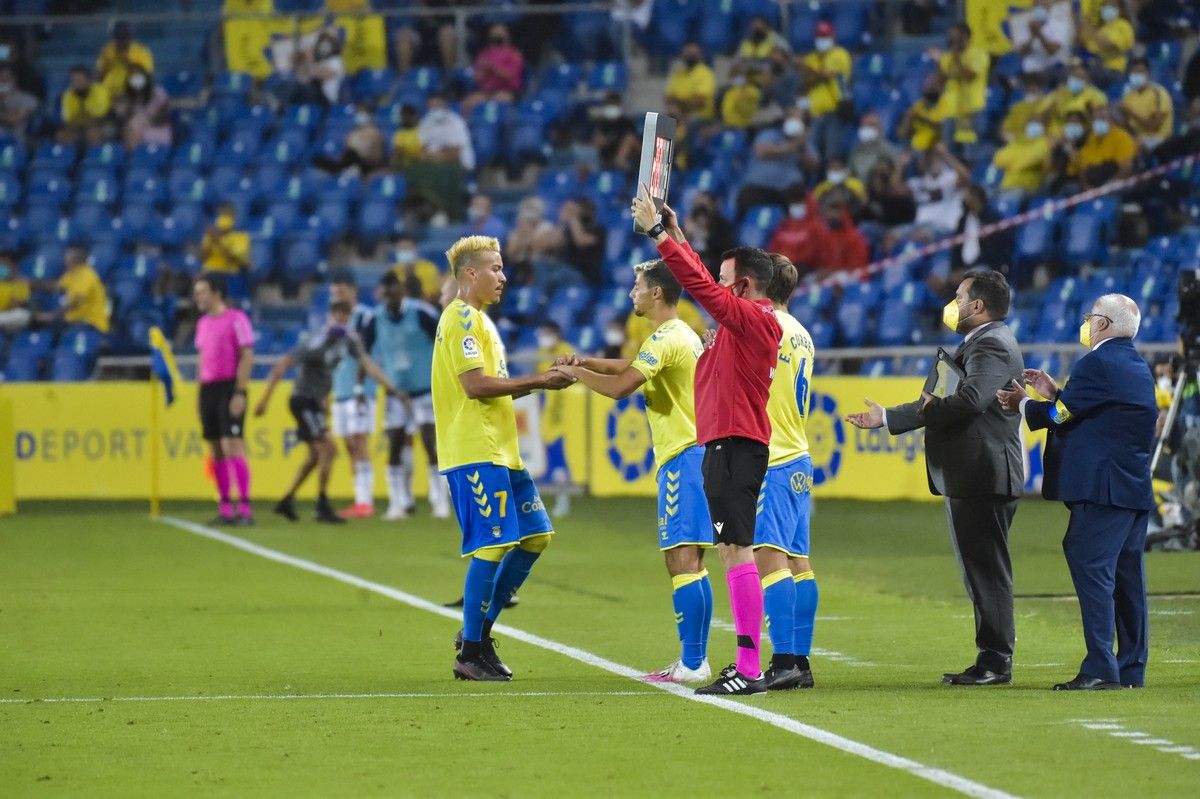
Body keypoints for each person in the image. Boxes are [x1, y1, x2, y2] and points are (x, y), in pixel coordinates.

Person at [632, 188, 782, 696]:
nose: (713, 288)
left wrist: (658, 237)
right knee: (730, 550)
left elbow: (699, 285)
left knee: (735, 552)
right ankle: (746, 664)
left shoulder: (754, 318)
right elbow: (700, 276)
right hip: (726, 443)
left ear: (741, 286)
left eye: (723, 281)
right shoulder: (742, 321)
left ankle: (749, 667)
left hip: (736, 444)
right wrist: (673, 232)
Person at [847, 271, 1024, 686]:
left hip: (983, 472)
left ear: (977, 306)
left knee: (987, 569)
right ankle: (990, 656)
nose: (953, 302)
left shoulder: (993, 344)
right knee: (978, 568)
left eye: (959, 296)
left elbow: (968, 400)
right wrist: (888, 417)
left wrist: (929, 406)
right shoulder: (980, 343)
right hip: (972, 473)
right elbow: (941, 401)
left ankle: (997, 661)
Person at [552, 259, 715, 684]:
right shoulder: (679, 334)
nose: (631, 294)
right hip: (693, 453)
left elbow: (622, 387)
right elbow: (627, 368)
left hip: (683, 455)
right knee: (691, 561)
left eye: (637, 287)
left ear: (656, 292)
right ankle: (695, 660)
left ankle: (694, 662)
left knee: (682, 558)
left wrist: (576, 373)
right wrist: (586, 361)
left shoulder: (665, 337)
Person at [433, 235, 574, 681]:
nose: (503, 276)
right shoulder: (460, 320)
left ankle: (477, 632)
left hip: (502, 452)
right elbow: (475, 386)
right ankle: (471, 651)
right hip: (474, 450)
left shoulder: (482, 322)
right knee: (492, 544)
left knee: (536, 536)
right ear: (470, 274)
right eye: (495, 268)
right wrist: (541, 381)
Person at [997, 295, 1155, 690]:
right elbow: (1086, 410)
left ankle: (1101, 668)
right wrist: (1056, 393)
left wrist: (1024, 404)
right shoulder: (1135, 364)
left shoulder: (1098, 363)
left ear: (1103, 324)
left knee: (1093, 568)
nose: (1085, 324)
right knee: (1126, 578)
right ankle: (1130, 668)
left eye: (1090, 317)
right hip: (1131, 488)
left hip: (1102, 491)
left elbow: (1060, 416)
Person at [255, 301, 404, 525]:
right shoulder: (315, 341)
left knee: (316, 455)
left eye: (345, 316)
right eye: (338, 316)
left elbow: (368, 364)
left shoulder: (349, 340)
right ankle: (321, 503)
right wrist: (264, 400)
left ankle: (286, 499)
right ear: (330, 316)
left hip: (315, 402)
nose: (341, 320)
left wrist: (391, 388)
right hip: (302, 399)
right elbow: (282, 365)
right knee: (329, 448)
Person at [754, 254, 818, 690]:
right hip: (798, 455)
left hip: (772, 456)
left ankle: (782, 661)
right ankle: (801, 661)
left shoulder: (767, 327)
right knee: (799, 561)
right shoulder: (802, 333)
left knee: (768, 557)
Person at [374, 271, 449, 520]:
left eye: (394, 293)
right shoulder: (377, 318)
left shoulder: (421, 313)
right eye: (386, 295)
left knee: (430, 444)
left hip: (425, 390)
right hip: (397, 393)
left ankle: (439, 501)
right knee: (394, 446)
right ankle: (398, 502)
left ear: (402, 292)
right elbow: (363, 352)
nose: (390, 299)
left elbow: (444, 340)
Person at [193, 273, 255, 526]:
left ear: (216, 292)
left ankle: (245, 507)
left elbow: (247, 355)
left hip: (230, 386)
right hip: (209, 388)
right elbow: (202, 360)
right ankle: (225, 507)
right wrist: (199, 395)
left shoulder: (236, 319)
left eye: (202, 292)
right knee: (216, 448)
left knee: (233, 445)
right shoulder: (203, 323)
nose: (198, 297)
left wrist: (240, 391)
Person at [328, 270, 381, 519]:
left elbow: (365, 354)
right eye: (334, 293)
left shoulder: (364, 317)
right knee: (349, 445)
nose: (337, 296)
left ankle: (365, 501)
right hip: (340, 389)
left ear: (353, 291)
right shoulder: (333, 322)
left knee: (359, 442)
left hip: (360, 391)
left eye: (341, 291)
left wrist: (360, 387)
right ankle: (359, 498)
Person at [931, 22, 989, 149]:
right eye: (951, 37)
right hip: (951, 111)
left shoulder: (978, 53)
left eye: (956, 37)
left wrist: (958, 60)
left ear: (965, 36)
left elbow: (970, 77)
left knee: (970, 151)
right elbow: (938, 83)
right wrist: (939, 63)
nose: (953, 40)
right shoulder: (948, 57)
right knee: (950, 152)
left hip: (973, 110)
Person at [40, 247, 110, 335]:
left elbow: (77, 300)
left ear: (75, 260)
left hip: (90, 322)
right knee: (43, 327)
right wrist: (31, 283)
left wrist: (53, 315)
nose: (64, 260)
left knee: (66, 333)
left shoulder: (87, 275)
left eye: (66, 257)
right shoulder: (72, 273)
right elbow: (56, 287)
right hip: (74, 320)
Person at [465, 23, 524, 111]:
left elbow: (511, 76)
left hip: (507, 91)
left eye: (499, 33)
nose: (496, 35)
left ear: (507, 35)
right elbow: (476, 78)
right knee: (469, 102)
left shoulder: (514, 54)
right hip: (486, 92)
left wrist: (493, 69)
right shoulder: (484, 54)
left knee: (499, 101)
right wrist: (484, 71)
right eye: (494, 33)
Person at [1119, 58, 1174, 152]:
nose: (1137, 75)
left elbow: (1154, 126)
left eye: (1140, 71)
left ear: (1148, 73)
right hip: (1136, 136)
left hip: (1158, 138)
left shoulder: (1159, 93)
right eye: (1134, 72)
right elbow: (1125, 126)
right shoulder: (1129, 95)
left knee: (1133, 146)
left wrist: (1132, 114)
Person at [1076, 105, 1138, 189]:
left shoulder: (1121, 137)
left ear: (1111, 120)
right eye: (1095, 119)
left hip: (1114, 182)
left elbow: (1126, 169)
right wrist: (1086, 187)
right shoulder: (1092, 138)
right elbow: (1083, 167)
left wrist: (1106, 188)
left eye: (1102, 118)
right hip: (1093, 184)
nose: (1098, 122)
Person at [314, 106, 386, 177]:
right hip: (352, 162)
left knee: (351, 155)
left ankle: (336, 167)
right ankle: (335, 167)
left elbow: (375, 155)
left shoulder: (375, 132)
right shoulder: (353, 132)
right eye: (358, 113)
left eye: (362, 113)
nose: (359, 116)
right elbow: (347, 147)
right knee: (349, 155)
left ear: (369, 115)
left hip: (368, 164)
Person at [1079, 2, 1135, 87]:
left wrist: (1089, 27)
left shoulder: (1123, 25)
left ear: (1120, 9)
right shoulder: (1102, 28)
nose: (1107, 8)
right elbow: (1083, 43)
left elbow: (1106, 45)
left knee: (1083, 75)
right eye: (1104, 6)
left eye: (1112, 5)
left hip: (1114, 70)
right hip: (1097, 67)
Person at [95, 21, 154, 101]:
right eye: (117, 37)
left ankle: (136, 104)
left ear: (130, 37)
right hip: (109, 90)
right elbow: (99, 74)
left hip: (131, 91)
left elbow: (145, 76)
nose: (121, 41)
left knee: (138, 79)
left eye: (124, 37)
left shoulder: (141, 50)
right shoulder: (108, 49)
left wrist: (127, 61)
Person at [116, 65, 171, 150]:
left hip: (157, 127)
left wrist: (148, 120)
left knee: (136, 121)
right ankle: (133, 157)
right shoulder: (128, 96)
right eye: (132, 75)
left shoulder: (158, 92)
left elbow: (165, 116)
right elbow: (124, 117)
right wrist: (122, 112)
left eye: (138, 75)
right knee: (131, 125)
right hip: (135, 129)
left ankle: (135, 156)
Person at [992, 117, 1052, 195]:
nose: (1035, 125)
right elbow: (998, 158)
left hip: (1028, 187)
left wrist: (1014, 163)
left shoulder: (1045, 143)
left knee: (1013, 195)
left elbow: (1033, 159)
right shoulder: (1019, 141)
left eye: (1039, 123)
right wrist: (1019, 162)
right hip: (1007, 186)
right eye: (1033, 122)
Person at [1012, 0, 1072, 77]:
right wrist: (1031, 37)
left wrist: (1039, 33)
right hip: (1030, 72)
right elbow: (1021, 53)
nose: (1040, 9)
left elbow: (1051, 51)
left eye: (1043, 6)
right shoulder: (1025, 25)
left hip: (1052, 70)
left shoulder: (1059, 25)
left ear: (1048, 7)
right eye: (1037, 6)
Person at [58, 65, 112, 146]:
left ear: (88, 80)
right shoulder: (68, 95)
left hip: (102, 125)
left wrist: (80, 120)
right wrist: (80, 121)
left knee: (93, 133)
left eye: (79, 80)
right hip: (77, 128)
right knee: (61, 136)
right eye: (74, 80)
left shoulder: (100, 91)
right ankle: (67, 157)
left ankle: (95, 157)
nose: (76, 84)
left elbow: (99, 117)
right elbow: (68, 120)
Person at [664, 42, 716, 121]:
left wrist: (678, 102)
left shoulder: (705, 73)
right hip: (676, 114)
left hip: (699, 118)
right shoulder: (678, 75)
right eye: (687, 54)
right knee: (659, 122)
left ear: (700, 55)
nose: (689, 57)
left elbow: (699, 102)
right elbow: (668, 98)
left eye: (693, 54)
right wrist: (684, 103)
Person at [200, 203, 251, 282]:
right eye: (221, 215)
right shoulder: (211, 234)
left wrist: (219, 242)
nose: (223, 218)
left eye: (227, 215)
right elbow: (203, 258)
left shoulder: (241, 236)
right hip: (210, 271)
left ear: (234, 217)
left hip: (229, 273)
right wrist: (210, 242)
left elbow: (233, 259)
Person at [848, 112, 899, 182]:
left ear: (880, 128)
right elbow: (851, 174)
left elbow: (896, 176)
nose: (867, 128)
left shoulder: (888, 149)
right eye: (864, 126)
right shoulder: (857, 149)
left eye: (872, 125)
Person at [390, 235, 442, 302]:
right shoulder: (393, 271)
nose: (403, 251)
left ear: (415, 249)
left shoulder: (428, 268)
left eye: (406, 248)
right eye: (400, 248)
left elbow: (432, 293)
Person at [0, 63, 38, 142]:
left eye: (5, 79)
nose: (2, 83)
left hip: (15, 140)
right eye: (0, 80)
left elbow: (15, 120)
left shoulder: (28, 99)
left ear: (14, 79)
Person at [0, 250, 31, 334]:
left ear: (13, 266)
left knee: (23, 315)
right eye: (1, 264)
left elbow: (23, 304)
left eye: (5, 264)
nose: (2, 267)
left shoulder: (21, 283)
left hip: (12, 318)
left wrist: (15, 302)